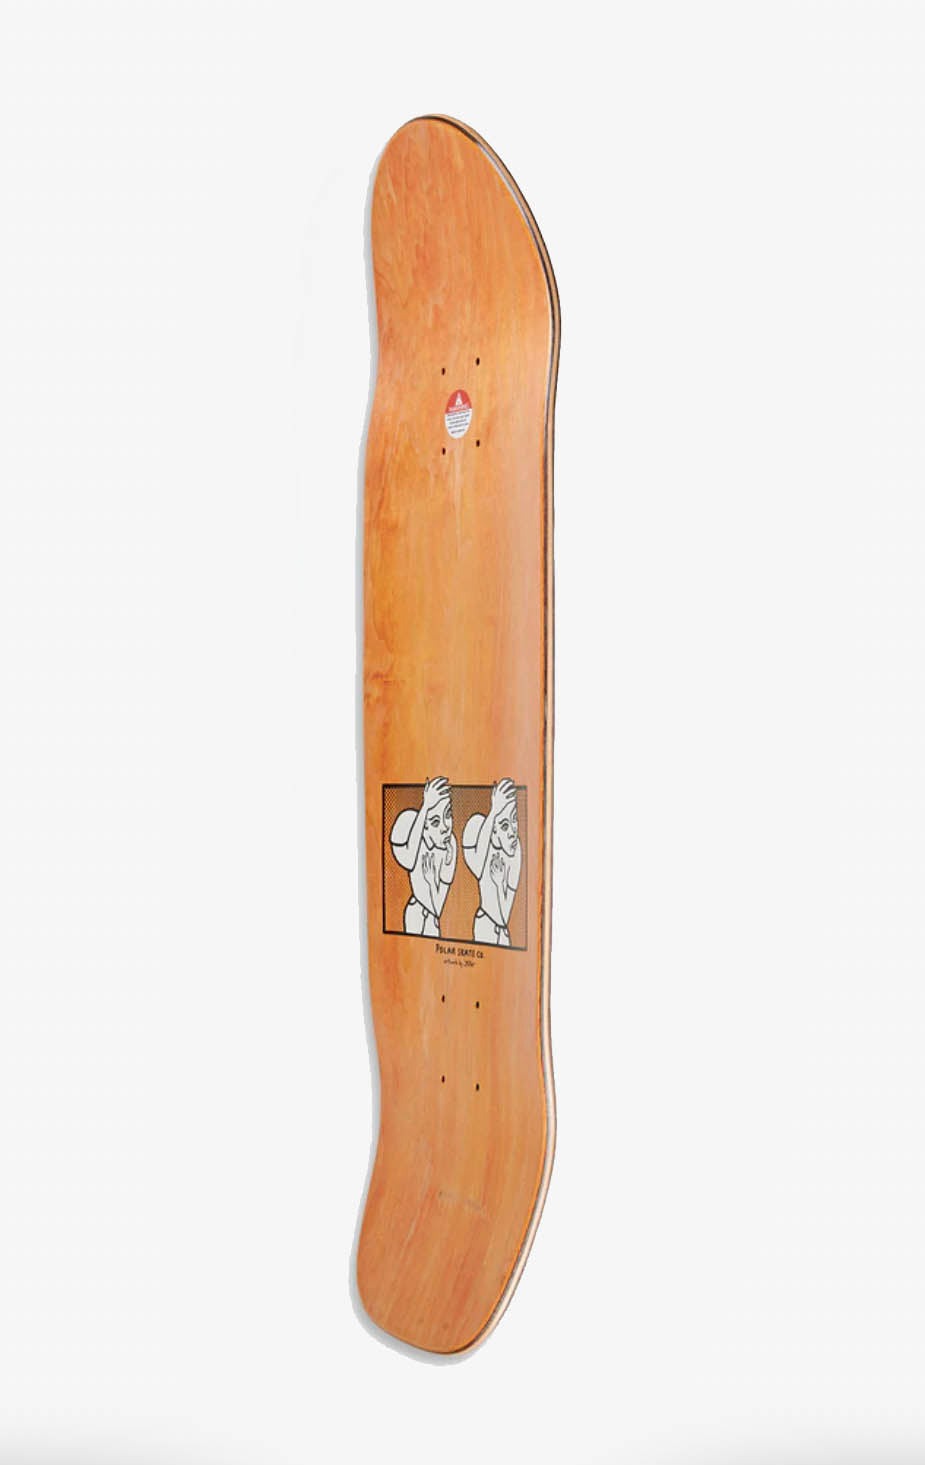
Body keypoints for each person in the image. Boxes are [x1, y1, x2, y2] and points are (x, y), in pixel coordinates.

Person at [389, 776, 457, 938]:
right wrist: (426, 806)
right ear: (424, 825)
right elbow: (409, 860)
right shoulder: (411, 832)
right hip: (415, 913)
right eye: (435, 822)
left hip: (432, 920)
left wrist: (431, 882)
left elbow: (437, 908)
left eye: (448, 814)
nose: (445, 827)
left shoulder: (451, 846)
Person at [462, 778, 521, 946]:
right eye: (504, 826)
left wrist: (499, 883)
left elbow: (504, 916)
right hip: (485, 925)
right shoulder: (478, 838)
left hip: (503, 931)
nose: (513, 832)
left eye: (514, 819)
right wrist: (494, 811)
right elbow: (478, 863)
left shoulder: (516, 850)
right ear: (493, 830)